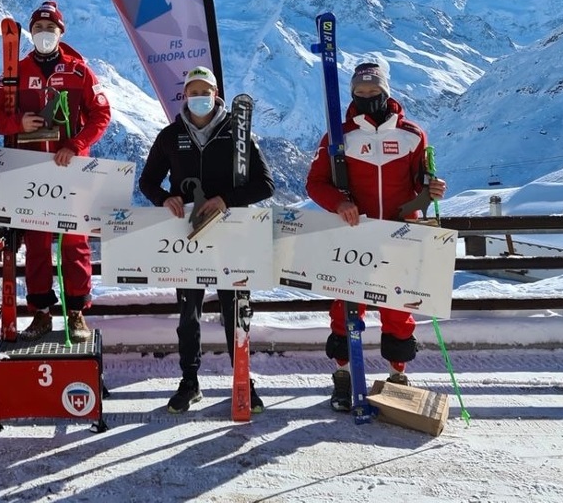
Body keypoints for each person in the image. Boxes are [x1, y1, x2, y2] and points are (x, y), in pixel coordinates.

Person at [305, 61, 448, 411]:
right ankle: (343, 376)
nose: (367, 97)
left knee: (399, 308)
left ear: (386, 92)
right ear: (353, 94)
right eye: (360, 93)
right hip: (356, 235)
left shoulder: (412, 134)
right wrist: (339, 203)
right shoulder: (339, 137)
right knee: (346, 309)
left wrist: (431, 188)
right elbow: (315, 183)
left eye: (374, 92)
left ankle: (397, 375)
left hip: (401, 233)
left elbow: (419, 180)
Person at [138, 66, 275, 414]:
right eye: (192, 91)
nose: (199, 97)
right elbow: (148, 182)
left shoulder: (236, 133)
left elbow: (265, 184)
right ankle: (190, 382)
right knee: (189, 314)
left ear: (216, 94)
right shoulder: (170, 136)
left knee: (236, 311)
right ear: (184, 96)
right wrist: (162, 198)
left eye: (205, 90)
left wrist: (226, 199)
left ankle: (243, 380)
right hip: (189, 237)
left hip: (231, 236)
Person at [0, 1, 112, 344]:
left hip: (70, 169)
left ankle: (76, 312)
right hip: (31, 170)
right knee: (37, 245)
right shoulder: (15, 71)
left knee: (74, 243)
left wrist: (77, 145)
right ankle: (40, 313)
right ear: (30, 34)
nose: (44, 35)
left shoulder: (79, 71)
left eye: (50, 29)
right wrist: (17, 122)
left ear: (61, 33)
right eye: (38, 29)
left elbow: (101, 115)